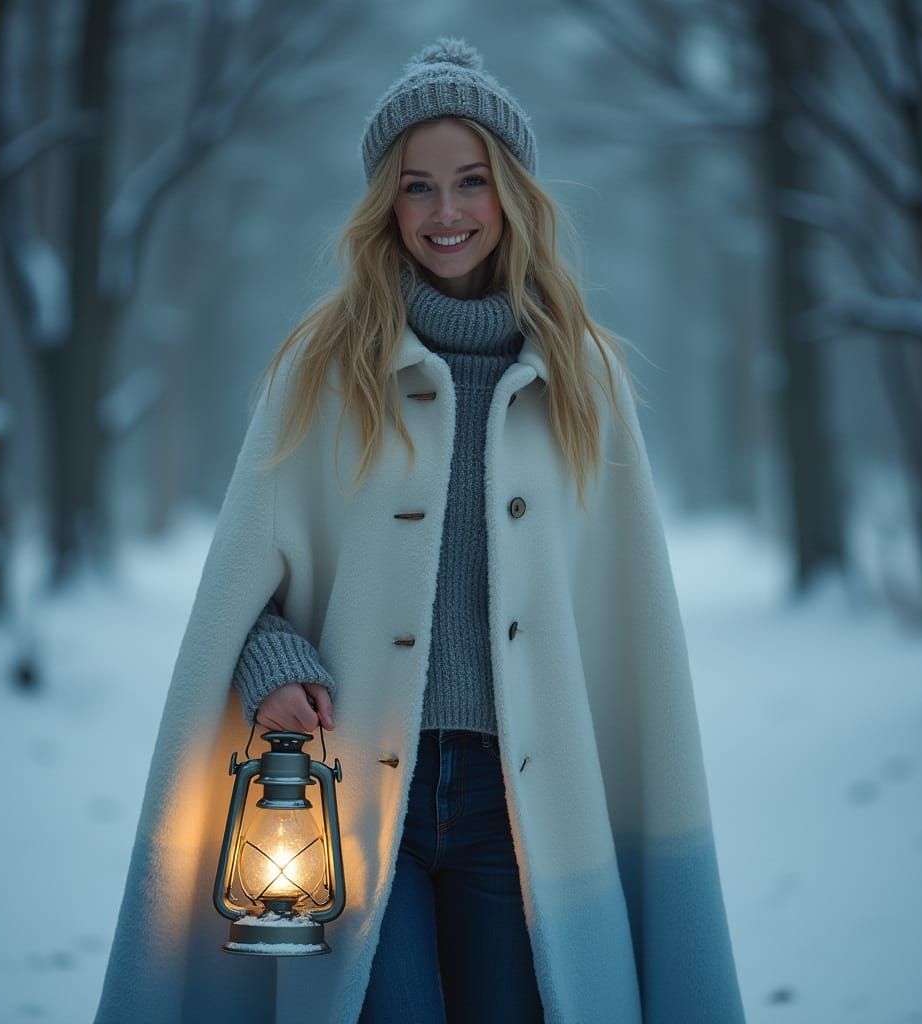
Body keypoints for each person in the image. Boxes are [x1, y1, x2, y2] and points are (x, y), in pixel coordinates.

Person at [95, 38, 745, 1024]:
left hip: (522, 815)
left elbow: (624, 605)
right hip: (350, 800)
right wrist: (271, 656)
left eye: (471, 182)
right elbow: (244, 576)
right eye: (418, 188)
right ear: (384, 209)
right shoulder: (320, 368)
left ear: (511, 193)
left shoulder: (586, 377)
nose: (446, 214)